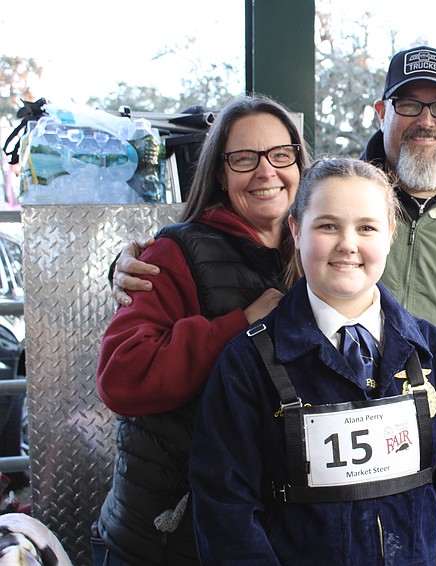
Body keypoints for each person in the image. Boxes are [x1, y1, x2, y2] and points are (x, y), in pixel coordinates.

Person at [112, 45, 436, 555]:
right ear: (302, 227)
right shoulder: (234, 310)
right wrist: (143, 262)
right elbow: (227, 500)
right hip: (222, 525)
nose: (348, 244)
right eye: (407, 105)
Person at [189, 157, 436, 564]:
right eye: (327, 226)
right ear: (296, 230)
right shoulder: (247, 365)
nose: (348, 244)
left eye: (367, 227)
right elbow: (225, 512)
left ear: (390, 233)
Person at [94, 94, 310, 565]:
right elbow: (122, 377)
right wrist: (241, 325)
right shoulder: (174, 253)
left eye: (280, 155)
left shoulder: (315, 257)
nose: (266, 172)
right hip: (167, 539)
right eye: (244, 159)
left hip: (262, 537)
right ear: (219, 172)